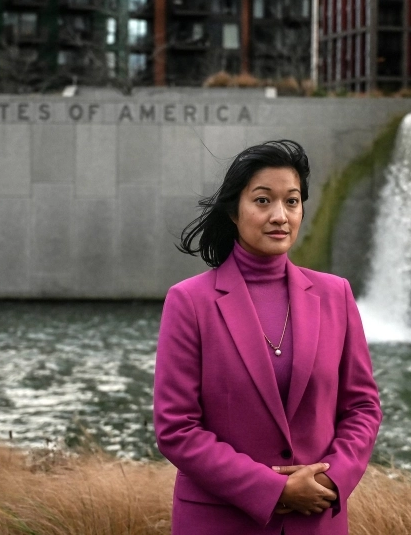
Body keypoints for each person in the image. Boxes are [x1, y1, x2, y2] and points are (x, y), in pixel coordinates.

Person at [153, 139, 382, 535]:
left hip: (316, 520)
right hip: (220, 521)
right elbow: (177, 428)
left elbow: (362, 407)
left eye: (291, 202)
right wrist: (273, 490)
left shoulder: (336, 295)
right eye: (263, 201)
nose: (280, 215)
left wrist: (332, 478)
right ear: (233, 210)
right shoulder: (190, 302)